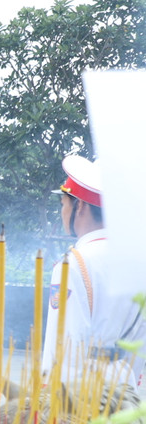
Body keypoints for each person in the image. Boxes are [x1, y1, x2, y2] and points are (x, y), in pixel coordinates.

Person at [42, 155, 146, 383]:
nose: (62, 212)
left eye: (63, 204)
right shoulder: (138, 263)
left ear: (80, 206)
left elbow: (62, 347)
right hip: (125, 400)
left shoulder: (74, 264)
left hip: (79, 403)